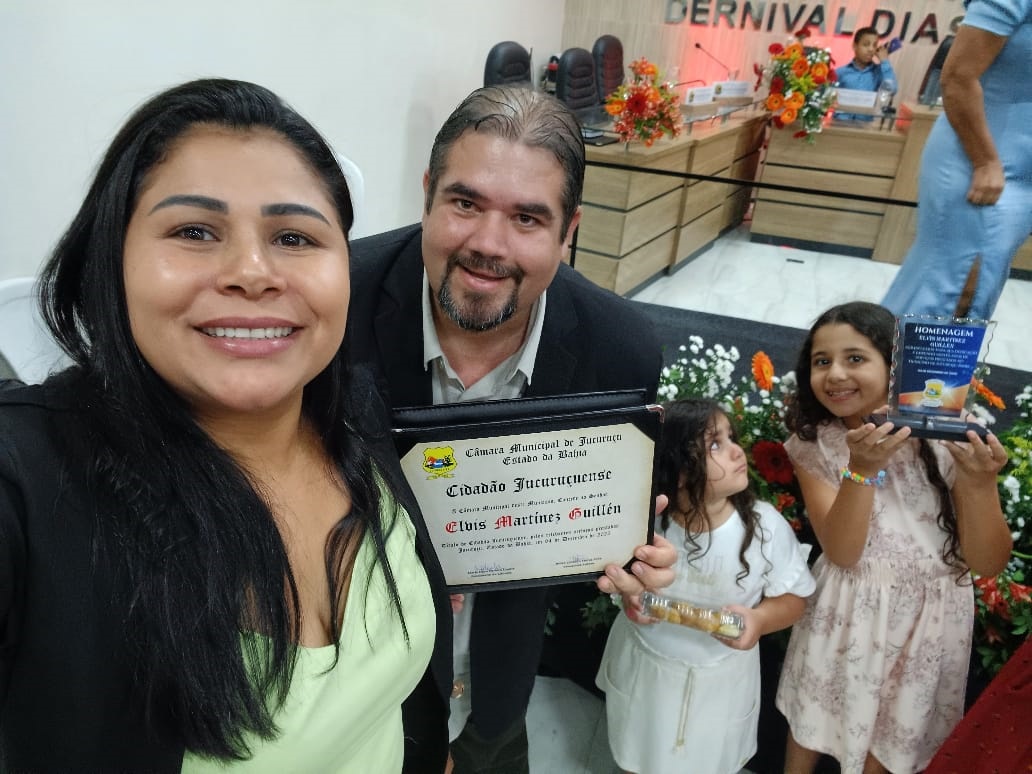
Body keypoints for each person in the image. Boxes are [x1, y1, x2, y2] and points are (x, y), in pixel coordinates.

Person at [0, 78, 451, 772]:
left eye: (294, 236)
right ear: (112, 259)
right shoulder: (28, 487)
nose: (252, 271)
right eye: (194, 232)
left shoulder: (352, 413)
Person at [346, 84, 676, 773]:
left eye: (527, 218)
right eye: (465, 203)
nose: (487, 245)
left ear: (568, 230)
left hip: (494, 686)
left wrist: (632, 552)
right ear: (428, 193)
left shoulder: (620, 350)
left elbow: (609, 516)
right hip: (359, 693)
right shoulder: (336, 301)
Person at [775, 301, 1013, 774]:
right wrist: (862, 469)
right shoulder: (816, 443)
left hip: (930, 624)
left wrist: (980, 483)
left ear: (896, 364)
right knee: (812, 722)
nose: (835, 373)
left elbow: (988, 562)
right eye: (822, 361)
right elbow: (843, 552)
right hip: (848, 611)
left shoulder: (951, 434)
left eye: (855, 358)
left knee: (890, 742)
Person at [595, 398, 815, 774]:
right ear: (678, 470)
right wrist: (629, 598)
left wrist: (760, 620)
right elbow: (617, 579)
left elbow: (795, 599)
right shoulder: (645, 523)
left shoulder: (764, 528)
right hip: (647, 671)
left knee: (708, 759)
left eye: (731, 438)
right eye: (715, 444)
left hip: (722, 681)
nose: (737, 451)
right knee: (639, 749)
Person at [881, 0, 1032, 321]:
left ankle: (896, 351)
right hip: (980, 159)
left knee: (982, 286)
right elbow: (958, 78)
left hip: (1024, 173)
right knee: (957, 287)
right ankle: (890, 352)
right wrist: (985, 161)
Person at [833, 27, 897, 121]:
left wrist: (885, 61)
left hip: (864, 126)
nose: (871, 49)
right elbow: (826, 98)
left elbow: (892, 90)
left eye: (874, 45)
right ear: (855, 46)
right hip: (839, 124)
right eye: (866, 44)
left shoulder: (879, 72)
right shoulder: (841, 72)